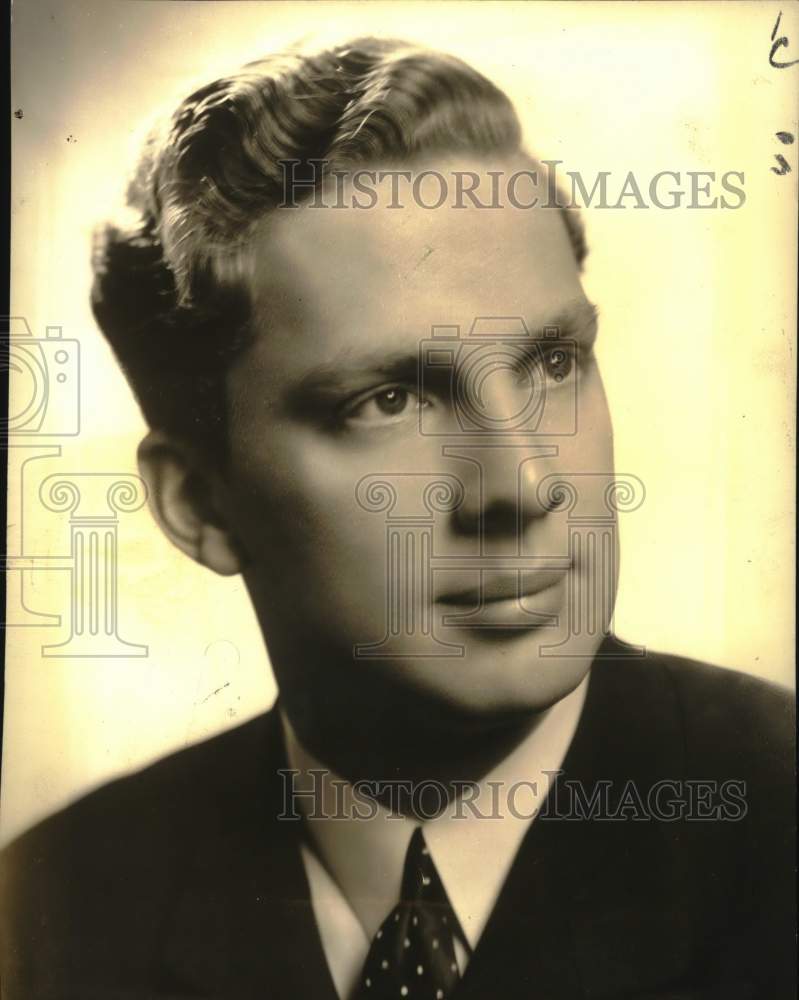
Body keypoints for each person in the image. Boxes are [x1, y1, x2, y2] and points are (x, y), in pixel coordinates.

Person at [1, 36, 794, 1000]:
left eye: (551, 364)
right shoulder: (54, 917)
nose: (523, 483)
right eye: (388, 400)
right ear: (198, 503)